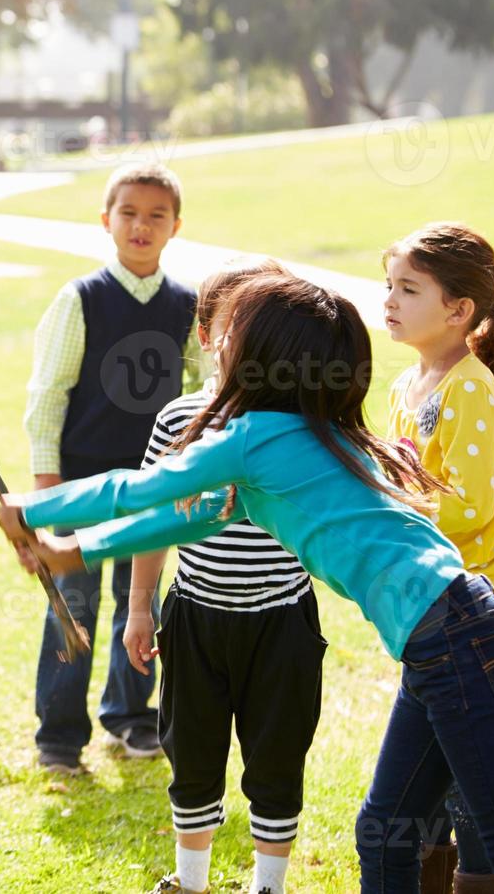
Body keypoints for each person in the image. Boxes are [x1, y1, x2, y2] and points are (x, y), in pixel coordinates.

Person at [0, 275, 494, 893]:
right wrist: (75, 549)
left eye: (231, 334)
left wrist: (33, 509)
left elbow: (136, 488)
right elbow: (187, 515)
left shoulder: (257, 439)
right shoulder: (301, 437)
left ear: (260, 356)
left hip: (455, 637)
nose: (217, 344)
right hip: (445, 639)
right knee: (384, 830)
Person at [124, 257, 319, 894]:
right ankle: (191, 881)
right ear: (207, 337)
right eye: (235, 325)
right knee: (193, 752)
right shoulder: (178, 421)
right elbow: (150, 521)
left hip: (282, 620)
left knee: (277, 755)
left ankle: (269, 884)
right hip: (196, 617)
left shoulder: (302, 423)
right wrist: (139, 606)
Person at [22, 161, 197, 775]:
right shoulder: (82, 299)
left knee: (138, 597)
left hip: (155, 484)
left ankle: (130, 715)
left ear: (176, 226)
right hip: (81, 485)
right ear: (106, 220)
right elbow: (48, 396)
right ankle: (59, 736)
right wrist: (47, 496)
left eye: (156, 215)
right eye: (128, 212)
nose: (141, 225)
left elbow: (199, 395)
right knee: (73, 601)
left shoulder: (187, 307)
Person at [382, 223, 494, 894]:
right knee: (432, 784)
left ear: (459, 309)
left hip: (482, 604)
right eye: (390, 285)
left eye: (409, 289)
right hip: (431, 607)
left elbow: (468, 506)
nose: (390, 299)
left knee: (475, 790)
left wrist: (390, 508)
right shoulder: (407, 384)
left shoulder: (467, 388)